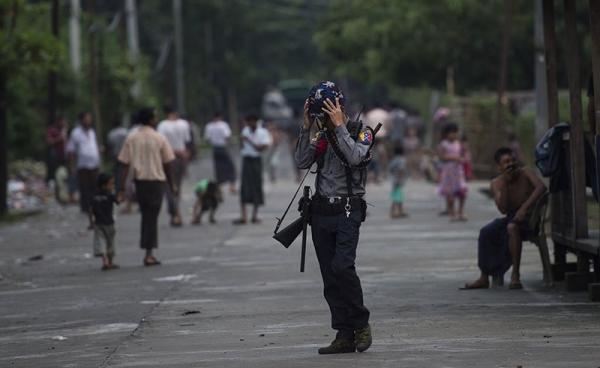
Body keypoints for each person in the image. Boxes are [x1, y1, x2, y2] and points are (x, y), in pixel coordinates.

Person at [295, 81, 372, 355]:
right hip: (321, 213)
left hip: (348, 210)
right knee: (330, 276)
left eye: (326, 111)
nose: (323, 118)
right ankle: (343, 332)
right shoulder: (320, 136)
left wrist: (339, 126)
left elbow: (355, 158)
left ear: (338, 107)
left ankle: (361, 325)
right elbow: (302, 161)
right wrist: (306, 128)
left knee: (343, 267)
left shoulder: (361, 132)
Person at [463, 147, 547, 290]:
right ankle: (484, 277)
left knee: (511, 228)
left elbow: (541, 188)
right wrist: (507, 184)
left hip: (530, 218)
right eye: (506, 162)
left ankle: (515, 275)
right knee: (486, 232)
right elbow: (502, 209)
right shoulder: (496, 183)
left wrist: (524, 208)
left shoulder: (525, 172)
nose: (511, 164)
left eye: (513, 160)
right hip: (511, 217)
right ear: (500, 167)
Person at [118, 107, 176, 267]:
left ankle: (148, 250)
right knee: (151, 217)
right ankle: (149, 253)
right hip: (156, 182)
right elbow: (168, 164)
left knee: (147, 215)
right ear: (150, 120)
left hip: (140, 182)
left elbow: (123, 164)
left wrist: (121, 187)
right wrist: (172, 185)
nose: (157, 120)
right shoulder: (159, 138)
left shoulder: (131, 138)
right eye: (155, 117)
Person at [157, 105, 191, 227]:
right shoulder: (184, 124)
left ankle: (174, 213)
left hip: (167, 158)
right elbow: (187, 141)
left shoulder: (162, 125)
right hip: (181, 158)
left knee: (169, 186)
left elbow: (160, 143)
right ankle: (176, 213)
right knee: (178, 186)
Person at [234, 115, 271, 224]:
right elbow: (241, 147)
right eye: (248, 122)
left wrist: (248, 140)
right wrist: (242, 139)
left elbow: (261, 148)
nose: (250, 124)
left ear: (255, 121)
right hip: (246, 160)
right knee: (244, 186)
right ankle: (244, 216)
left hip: (256, 160)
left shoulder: (262, 132)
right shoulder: (245, 131)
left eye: (251, 122)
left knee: (256, 185)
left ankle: (254, 215)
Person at [67, 112, 101, 213]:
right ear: (82, 120)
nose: (89, 121)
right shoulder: (76, 133)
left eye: (89, 118)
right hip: (82, 164)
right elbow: (71, 150)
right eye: (87, 119)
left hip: (94, 164)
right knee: (84, 187)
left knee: (94, 186)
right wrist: (72, 166)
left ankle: (93, 206)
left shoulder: (92, 132)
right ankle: (85, 208)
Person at [437, 123, 468, 221]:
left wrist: (463, 158)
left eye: (455, 132)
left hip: (458, 171)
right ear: (446, 134)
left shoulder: (458, 143)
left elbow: (463, 154)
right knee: (450, 194)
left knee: (462, 191)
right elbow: (441, 157)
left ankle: (461, 212)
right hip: (448, 171)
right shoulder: (443, 144)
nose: (454, 135)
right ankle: (452, 213)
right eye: (451, 133)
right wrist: (454, 157)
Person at [88, 173, 119, 271]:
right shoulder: (109, 195)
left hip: (99, 223)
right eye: (111, 184)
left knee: (103, 243)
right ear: (104, 185)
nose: (112, 186)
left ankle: (107, 262)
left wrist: (91, 222)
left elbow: (90, 209)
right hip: (108, 223)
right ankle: (108, 262)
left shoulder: (94, 195)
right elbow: (118, 201)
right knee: (110, 243)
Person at [203, 113, 237, 194]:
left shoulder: (209, 126)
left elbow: (207, 138)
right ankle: (232, 186)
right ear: (220, 117)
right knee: (230, 167)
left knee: (218, 168)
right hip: (223, 147)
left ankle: (219, 188)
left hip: (215, 149)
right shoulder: (223, 125)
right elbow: (227, 136)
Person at [46, 116, 68, 185]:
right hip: (56, 155)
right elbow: (49, 141)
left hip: (65, 155)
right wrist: (59, 138)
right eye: (62, 121)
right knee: (56, 174)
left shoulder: (66, 130)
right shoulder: (52, 129)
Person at [389, 144, 408, 218]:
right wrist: (400, 178)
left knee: (399, 196)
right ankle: (393, 212)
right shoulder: (401, 159)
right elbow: (401, 169)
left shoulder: (394, 159)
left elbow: (390, 169)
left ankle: (400, 211)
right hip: (398, 180)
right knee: (396, 197)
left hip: (394, 179)